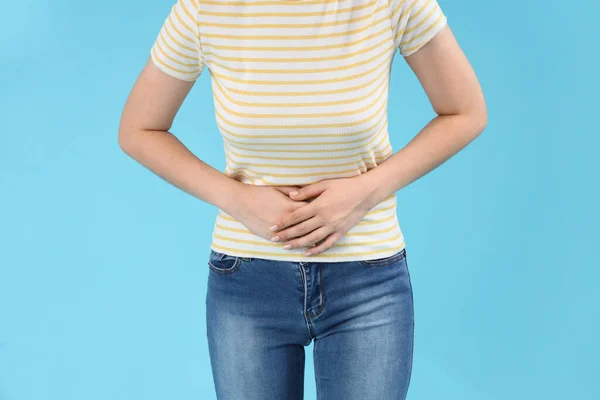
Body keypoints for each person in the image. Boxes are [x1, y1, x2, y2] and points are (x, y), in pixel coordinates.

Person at [118, 0, 486, 398]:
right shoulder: (205, 9)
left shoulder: (392, 4)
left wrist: (365, 193)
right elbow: (139, 128)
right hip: (248, 282)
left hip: (367, 284)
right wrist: (236, 199)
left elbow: (465, 111)